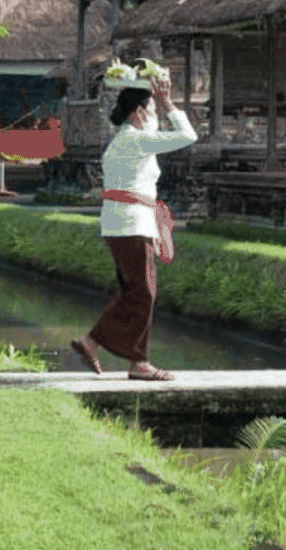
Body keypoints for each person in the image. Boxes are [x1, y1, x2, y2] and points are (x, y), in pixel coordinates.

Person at [71, 72, 196, 380]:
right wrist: (167, 101)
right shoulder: (136, 139)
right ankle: (123, 354)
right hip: (132, 224)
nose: (157, 117)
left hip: (121, 222)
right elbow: (188, 136)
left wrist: (162, 102)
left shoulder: (122, 141)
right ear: (139, 113)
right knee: (144, 292)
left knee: (134, 291)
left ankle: (119, 352)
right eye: (153, 111)